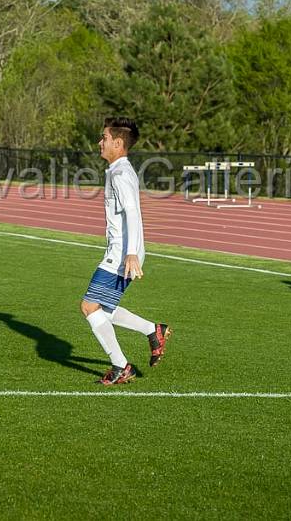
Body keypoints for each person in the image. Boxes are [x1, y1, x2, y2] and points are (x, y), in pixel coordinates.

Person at [80, 117, 170, 385]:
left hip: (121, 255)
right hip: (121, 252)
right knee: (103, 311)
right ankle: (153, 330)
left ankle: (121, 366)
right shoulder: (118, 170)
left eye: (104, 138)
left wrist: (130, 253)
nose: (100, 142)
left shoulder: (121, 174)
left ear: (118, 143)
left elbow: (132, 213)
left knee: (89, 307)